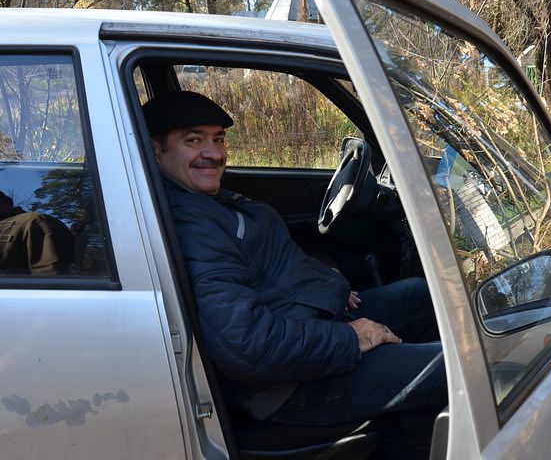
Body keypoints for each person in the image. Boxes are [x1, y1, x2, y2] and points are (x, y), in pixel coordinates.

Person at [143, 90, 445, 452]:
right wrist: (353, 338)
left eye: (218, 139)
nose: (214, 153)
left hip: (305, 328)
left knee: (417, 295)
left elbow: (266, 270)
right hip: (287, 386)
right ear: (155, 150)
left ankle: (414, 423)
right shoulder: (189, 225)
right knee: (460, 368)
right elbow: (248, 345)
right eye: (193, 141)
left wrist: (326, 285)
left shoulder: (201, 199)